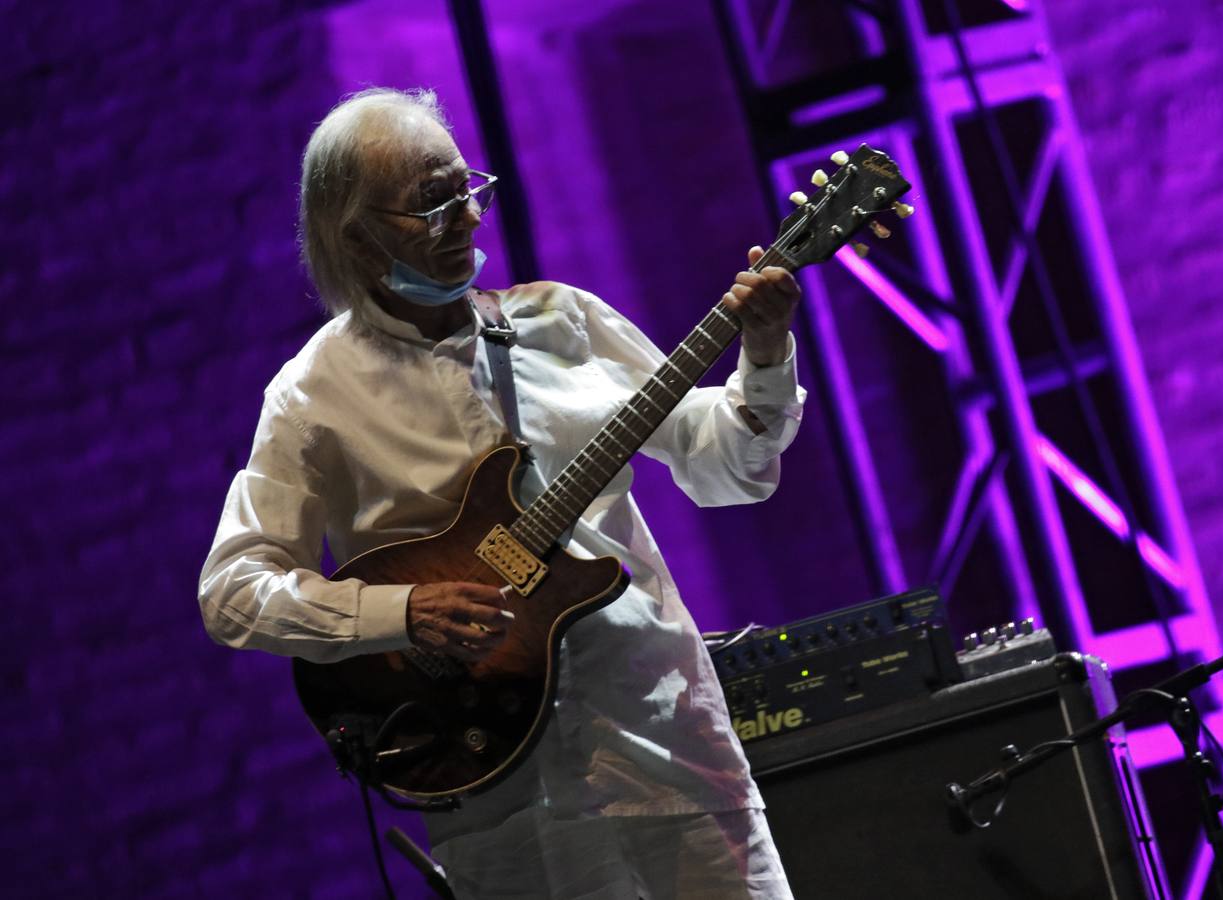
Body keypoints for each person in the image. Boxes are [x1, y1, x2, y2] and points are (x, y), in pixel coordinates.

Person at [198, 87, 806, 899]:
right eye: (430, 202)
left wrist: (763, 350)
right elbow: (234, 592)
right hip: (505, 803)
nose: (466, 217)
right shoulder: (312, 396)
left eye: (466, 189)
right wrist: (400, 615)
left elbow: (728, 466)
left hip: (666, 745)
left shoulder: (564, 322)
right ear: (357, 232)